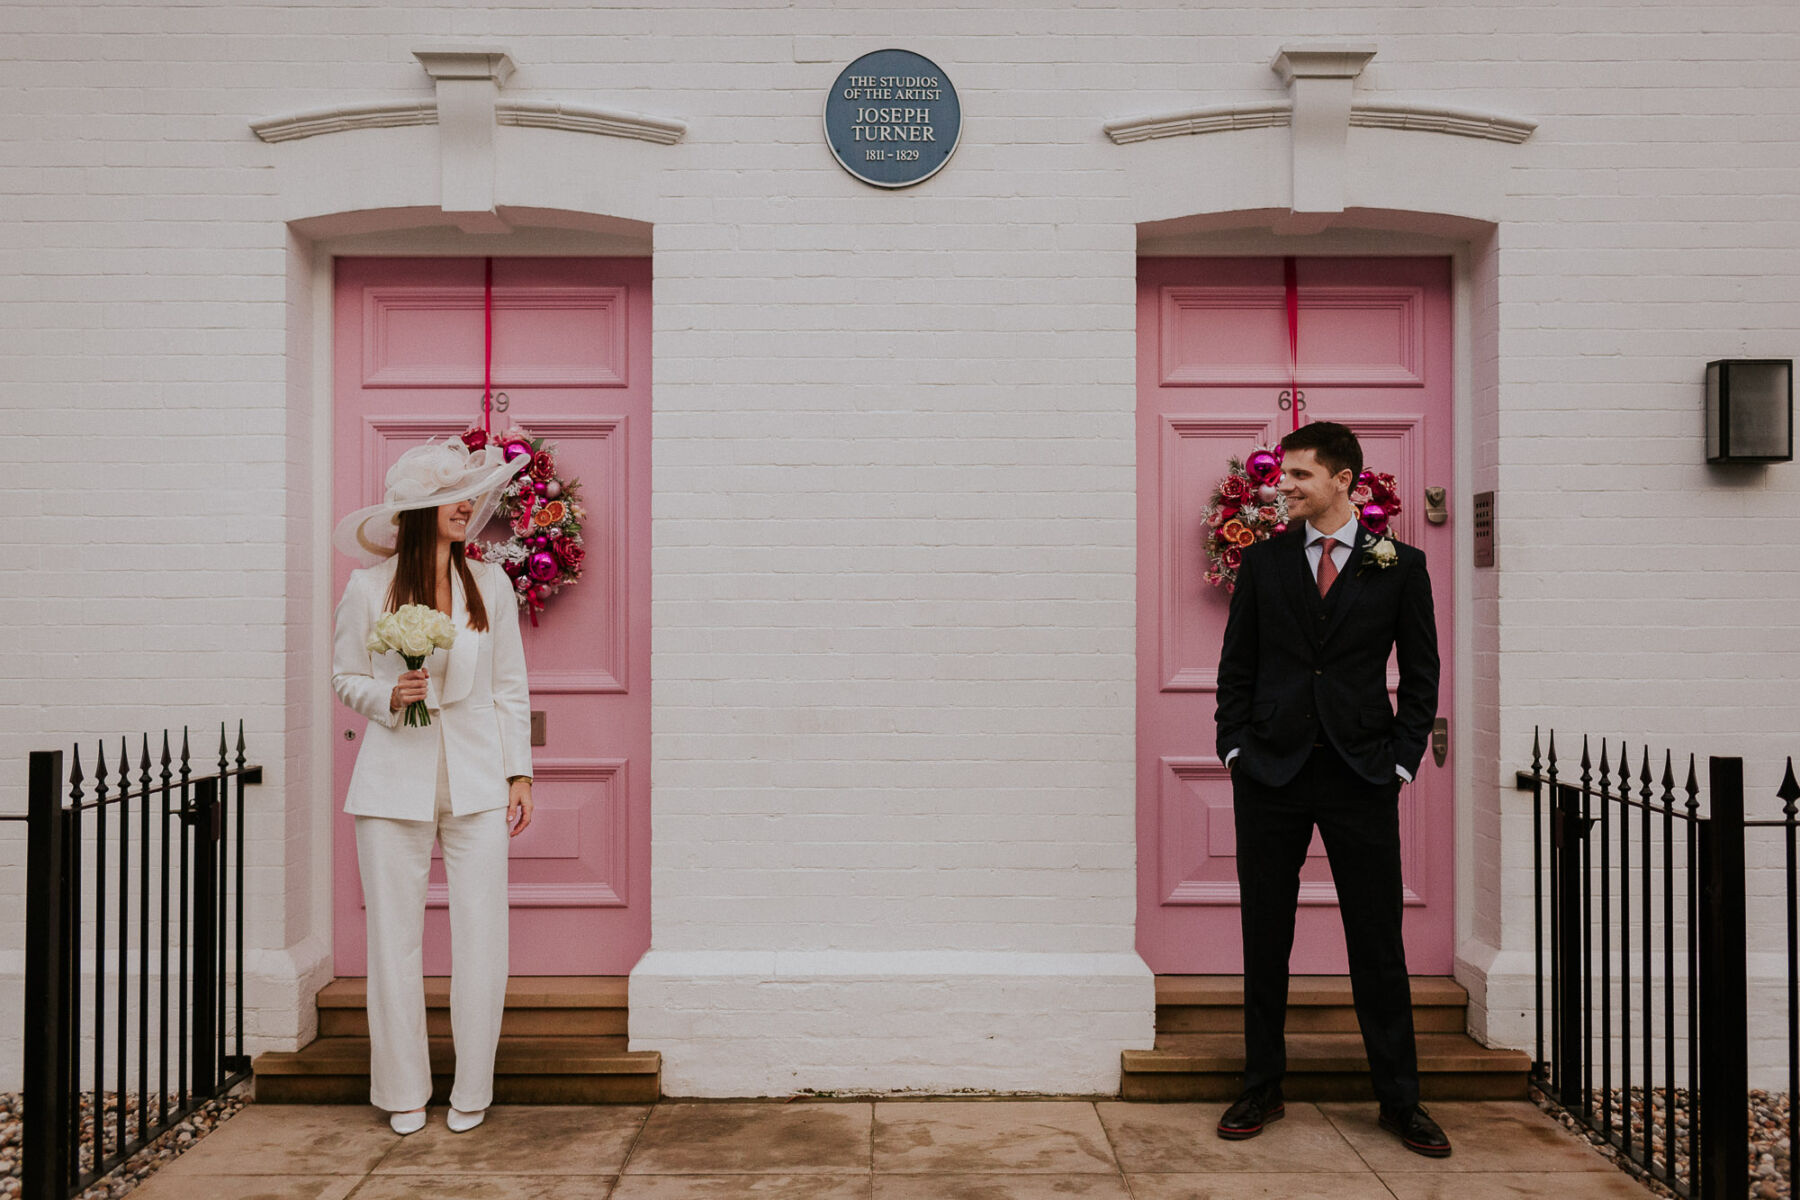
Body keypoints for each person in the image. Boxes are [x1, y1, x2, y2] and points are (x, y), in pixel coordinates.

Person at [1212, 421, 1448, 1157]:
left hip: (1361, 775)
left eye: (1300, 476)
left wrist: (1402, 760)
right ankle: (1261, 1084)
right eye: (1283, 475)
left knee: (1377, 941)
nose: (1284, 486)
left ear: (1344, 479)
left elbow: (1422, 674)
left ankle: (1399, 1100)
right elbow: (1237, 666)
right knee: (1265, 935)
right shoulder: (1265, 562)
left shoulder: (1399, 566)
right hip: (1271, 774)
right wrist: (1233, 746)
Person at [330, 439, 535, 1136]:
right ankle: (404, 1090)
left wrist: (519, 773)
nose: (469, 506)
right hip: (390, 784)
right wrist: (391, 694)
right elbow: (345, 676)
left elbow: (509, 688)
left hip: (478, 780)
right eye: (455, 495)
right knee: (394, 939)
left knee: (483, 936)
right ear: (418, 510)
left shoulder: (493, 586)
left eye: (472, 494)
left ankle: (472, 1088)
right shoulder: (367, 588)